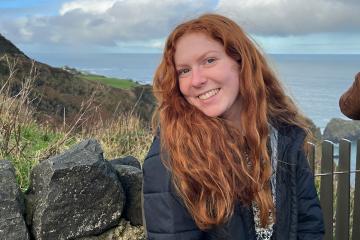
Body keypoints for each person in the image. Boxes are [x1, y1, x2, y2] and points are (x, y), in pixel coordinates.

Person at [142, 13, 324, 240]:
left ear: (240, 61)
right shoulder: (170, 155)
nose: (196, 80)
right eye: (184, 71)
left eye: (209, 60)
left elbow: (309, 225)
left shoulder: (284, 136)